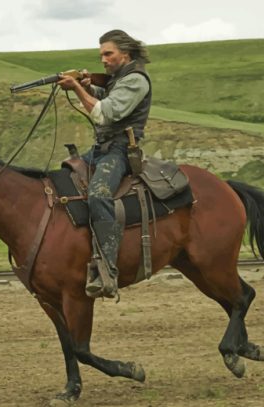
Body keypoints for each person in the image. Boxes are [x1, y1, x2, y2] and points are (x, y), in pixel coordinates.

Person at [57, 29, 152, 298]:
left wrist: (76, 88)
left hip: (120, 151)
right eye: (101, 55)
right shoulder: (119, 78)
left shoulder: (135, 80)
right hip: (101, 149)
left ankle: (108, 269)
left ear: (126, 53)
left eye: (108, 53)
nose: (104, 60)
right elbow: (105, 95)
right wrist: (87, 86)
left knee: (99, 194)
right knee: (64, 175)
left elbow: (105, 114)